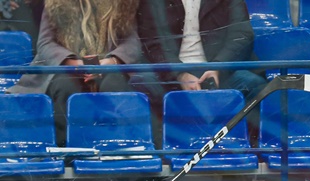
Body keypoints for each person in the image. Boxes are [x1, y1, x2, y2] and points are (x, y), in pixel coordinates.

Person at [7, 0, 141, 146]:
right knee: (66, 85)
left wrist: (110, 62)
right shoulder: (55, 3)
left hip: (107, 68)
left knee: (114, 83)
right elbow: (45, 43)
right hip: (65, 66)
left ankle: (115, 146)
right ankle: (68, 148)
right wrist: (74, 64)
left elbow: (132, 43)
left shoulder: (122, 4)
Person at [134, 0, 267, 144]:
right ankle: (158, 149)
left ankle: (248, 147)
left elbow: (242, 35)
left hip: (219, 70)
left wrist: (217, 67)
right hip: (171, 72)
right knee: (141, 83)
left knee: (254, 85)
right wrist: (180, 74)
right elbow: (152, 43)